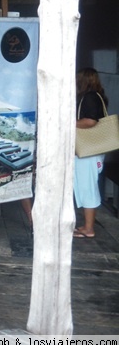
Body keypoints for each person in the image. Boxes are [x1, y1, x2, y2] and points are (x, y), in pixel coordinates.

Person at [73, 67, 108, 239]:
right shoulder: (95, 96)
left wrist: (69, 122)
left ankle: (89, 228)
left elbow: (90, 121)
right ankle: (87, 226)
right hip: (91, 150)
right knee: (86, 186)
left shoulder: (90, 97)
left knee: (88, 188)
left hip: (89, 152)